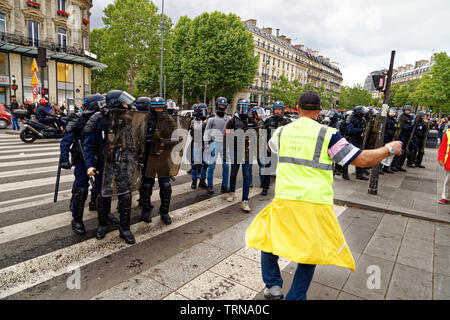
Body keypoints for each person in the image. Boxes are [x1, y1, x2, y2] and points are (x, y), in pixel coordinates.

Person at [246, 91, 403, 300]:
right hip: (315, 202)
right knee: (310, 251)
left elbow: (270, 147)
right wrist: (388, 149)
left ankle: (273, 285)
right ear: (319, 111)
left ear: (297, 108)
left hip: (285, 199)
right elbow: (362, 160)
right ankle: (296, 296)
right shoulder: (329, 134)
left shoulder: (282, 131)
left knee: (267, 239)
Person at [59, 93, 119, 235]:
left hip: (100, 158)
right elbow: (66, 141)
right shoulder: (78, 119)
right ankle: (77, 218)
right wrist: (64, 159)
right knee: (81, 189)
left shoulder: (103, 118)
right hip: (82, 159)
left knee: (102, 188)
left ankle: (100, 209)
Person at [83, 90, 137, 244]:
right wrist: (89, 165)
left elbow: (133, 141)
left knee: (125, 196)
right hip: (103, 163)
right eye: (124, 102)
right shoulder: (98, 118)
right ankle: (102, 225)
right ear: (115, 103)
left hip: (122, 163)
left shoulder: (127, 119)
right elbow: (88, 145)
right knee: (103, 195)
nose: (127, 105)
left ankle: (125, 229)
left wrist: (133, 160)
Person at [138, 97, 174, 225]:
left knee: (166, 186)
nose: (158, 110)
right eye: (156, 107)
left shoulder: (168, 120)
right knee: (147, 186)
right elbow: (139, 137)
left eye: (160, 107)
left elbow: (174, 135)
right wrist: (151, 137)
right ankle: (146, 211)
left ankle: (164, 212)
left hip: (163, 156)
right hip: (149, 156)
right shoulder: (145, 120)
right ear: (151, 107)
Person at [225, 99, 254, 212]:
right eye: (242, 107)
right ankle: (231, 191)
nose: (244, 110)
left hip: (247, 152)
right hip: (235, 150)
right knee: (233, 173)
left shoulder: (252, 121)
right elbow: (227, 136)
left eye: (246, 108)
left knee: (247, 176)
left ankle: (245, 200)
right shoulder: (232, 121)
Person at [260, 101, 290, 195]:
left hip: (281, 149)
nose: (277, 111)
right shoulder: (268, 120)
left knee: (282, 169)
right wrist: (264, 145)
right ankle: (265, 187)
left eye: (279, 109)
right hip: (269, 147)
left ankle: (283, 188)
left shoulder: (286, 121)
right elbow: (263, 134)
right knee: (267, 168)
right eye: (276, 109)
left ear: (282, 110)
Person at [204, 97, 231, 195]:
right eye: (220, 105)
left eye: (223, 106)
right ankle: (210, 185)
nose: (222, 107)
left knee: (226, 167)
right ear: (217, 105)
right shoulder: (211, 119)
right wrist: (206, 146)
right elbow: (206, 133)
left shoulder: (229, 119)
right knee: (211, 166)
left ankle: (224, 186)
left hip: (224, 145)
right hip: (214, 144)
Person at [346, 106, 369, 180]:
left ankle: (359, 174)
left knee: (359, 158)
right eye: (362, 111)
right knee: (348, 158)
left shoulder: (362, 119)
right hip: (351, 140)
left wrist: (363, 131)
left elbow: (364, 128)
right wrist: (361, 130)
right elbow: (350, 130)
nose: (363, 113)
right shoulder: (351, 118)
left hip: (359, 140)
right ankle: (344, 173)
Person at [190, 103, 209, 190]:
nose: (203, 113)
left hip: (205, 145)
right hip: (197, 145)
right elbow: (197, 129)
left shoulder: (207, 120)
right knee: (195, 164)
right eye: (202, 111)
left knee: (204, 164)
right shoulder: (194, 121)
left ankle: (202, 181)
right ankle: (194, 181)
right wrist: (205, 123)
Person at [391, 105, 414, 172]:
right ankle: (394, 166)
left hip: (407, 136)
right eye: (407, 110)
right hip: (401, 135)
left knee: (405, 152)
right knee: (400, 151)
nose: (408, 111)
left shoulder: (410, 117)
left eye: (409, 110)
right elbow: (401, 127)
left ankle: (399, 165)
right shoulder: (401, 117)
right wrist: (409, 126)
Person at [382, 108, 398, 174]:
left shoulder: (394, 120)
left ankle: (386, 167)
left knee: (390, 153)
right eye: (391, 112)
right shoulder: (386, 119)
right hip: (386, 138)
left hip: (391, 138)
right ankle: (380, 168)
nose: (392, 113)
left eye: (394, 112)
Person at [438, 127, 450, 204]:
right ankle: (446, 197)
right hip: (449, 162)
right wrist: (441, 158)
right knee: (448, 181)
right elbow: (443, 147)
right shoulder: (448, 133)